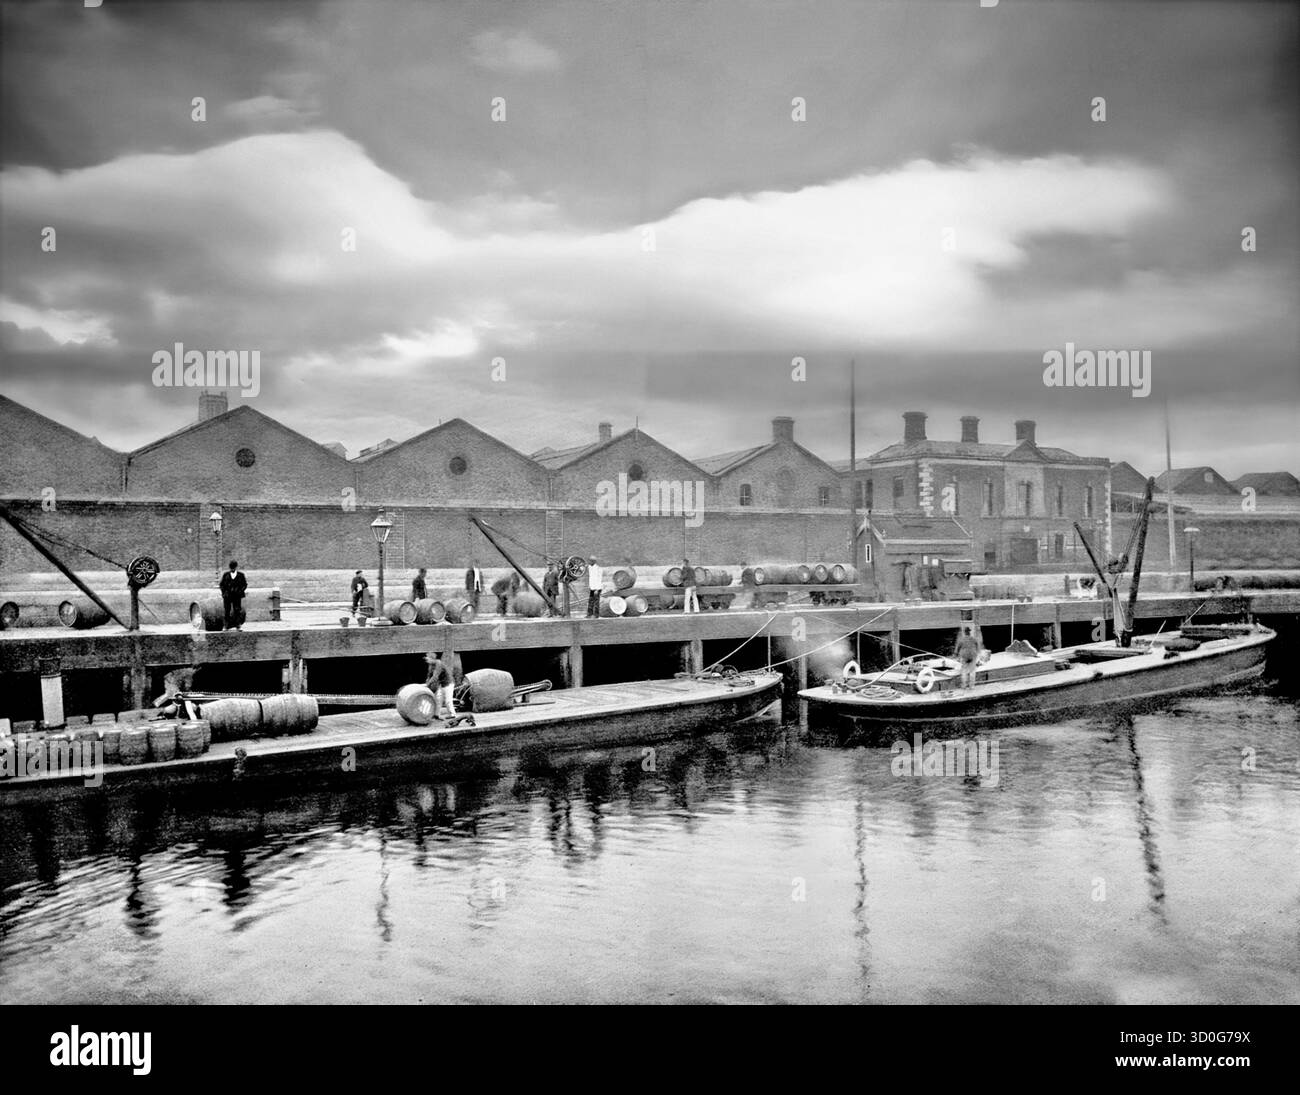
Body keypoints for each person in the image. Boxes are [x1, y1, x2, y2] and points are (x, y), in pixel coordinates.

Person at [424, 652, 455, 719]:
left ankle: (452, 715)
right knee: (438, 699)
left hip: (448, 684)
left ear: (432, 659)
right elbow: (429, 676)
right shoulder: (431, 665)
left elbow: (435, 676)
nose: (427, 660)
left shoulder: (438, 664)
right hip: (441, 684)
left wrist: (427, 685)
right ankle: (436, 715)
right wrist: (427, 683)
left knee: (448, 700)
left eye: (428, 658)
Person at [219, 560, 247, 630]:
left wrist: (240, 591)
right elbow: (221, 585)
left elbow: (244, 585)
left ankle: (238, 625)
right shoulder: (226, 575)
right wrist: (224, 593)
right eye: (231, 568)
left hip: (237, 596)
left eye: (233, 568)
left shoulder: (241, 575)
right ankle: (226, 626)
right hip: (227, 596)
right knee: (227, 611)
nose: (232, 569)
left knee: (237, 610)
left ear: (236, 567)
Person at [955, 624, 982, 689]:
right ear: (970, 632)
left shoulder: (961, 640)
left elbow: (957, 649)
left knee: (964, 671)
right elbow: (978, 648)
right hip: (972, 656)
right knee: (972, 671)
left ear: (964, 632)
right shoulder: (973, 639)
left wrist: (956, 655)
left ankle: (964, 685)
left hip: (964, 656)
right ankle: (971, 686)